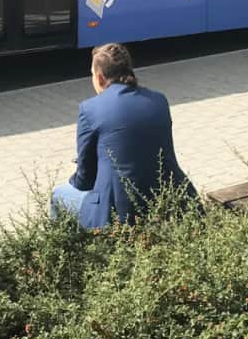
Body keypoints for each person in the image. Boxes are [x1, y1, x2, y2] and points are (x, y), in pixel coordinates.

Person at [51, 43, 196, 229]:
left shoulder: (90, 109)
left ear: (100, 77)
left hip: (117, 212)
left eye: (92, 75)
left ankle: (71, 253)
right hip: (166, 199)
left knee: (58, 195)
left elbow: (84, 180)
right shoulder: (159, 100)